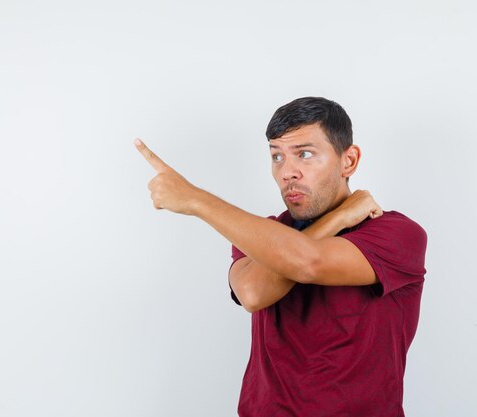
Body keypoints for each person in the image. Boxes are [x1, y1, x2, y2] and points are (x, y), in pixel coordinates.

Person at [134, 96, 427, 417]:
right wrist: (340, 218)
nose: (288, 172)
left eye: (305, 154)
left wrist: (195, 200)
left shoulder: (397, 234)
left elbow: (308, 262)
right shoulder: (262, 235)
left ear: (349, 161)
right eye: (277, 156)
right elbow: (253, 292)